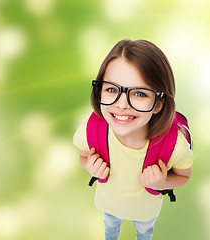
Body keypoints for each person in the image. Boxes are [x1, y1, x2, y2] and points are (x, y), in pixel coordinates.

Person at [73, 39, 193, 240]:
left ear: (158, 104)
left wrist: (163, 182)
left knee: (144, 233)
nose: (121, 105)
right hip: (109, 205)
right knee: (110, 227)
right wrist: (89, 166)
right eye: (111, 89)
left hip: (145, 212)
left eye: (139, 93)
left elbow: (184, 176)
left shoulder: (175, 145)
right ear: (99, 90)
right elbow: (83, 156)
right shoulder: (90, 129)